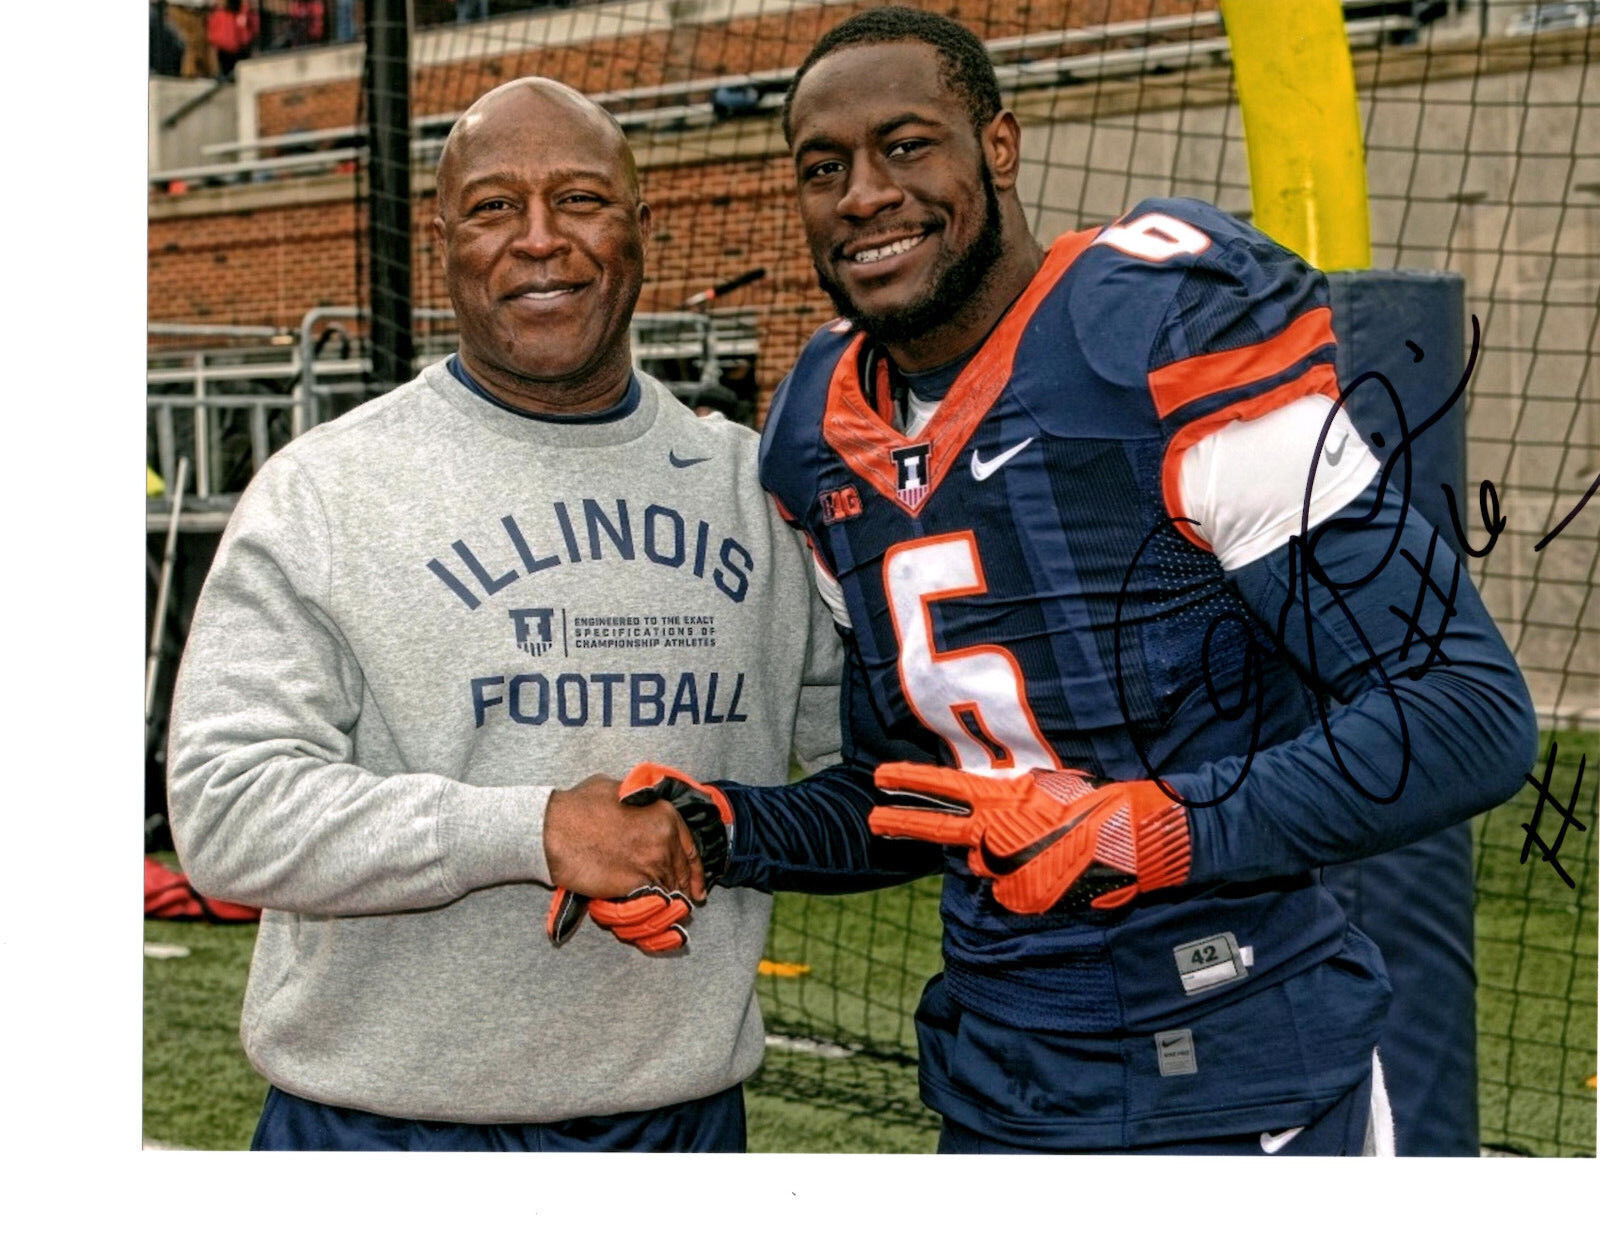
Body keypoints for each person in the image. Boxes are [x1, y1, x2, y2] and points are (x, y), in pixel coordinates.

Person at [603, 7, 1538, 1154]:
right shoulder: (816, 431)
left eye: (907, 146)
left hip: (1245, 1076)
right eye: (822, 167)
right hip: (1004, 1083)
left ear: (997, 146)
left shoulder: (1155, 330)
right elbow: (922, 800)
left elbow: (1462, 709)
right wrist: (723, 829)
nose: (864, 194)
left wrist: (1151, 831)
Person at [166, 76, 844, 1152]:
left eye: (580, 200)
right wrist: (531, 829)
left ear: (640, 229)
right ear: (440, 242)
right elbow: (227, 811)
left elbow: (876, 750)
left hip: (674, 1128)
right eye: (492, 207)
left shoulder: (750, 491)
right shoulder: (327, 492)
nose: (539, 241)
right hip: (377, 1133)